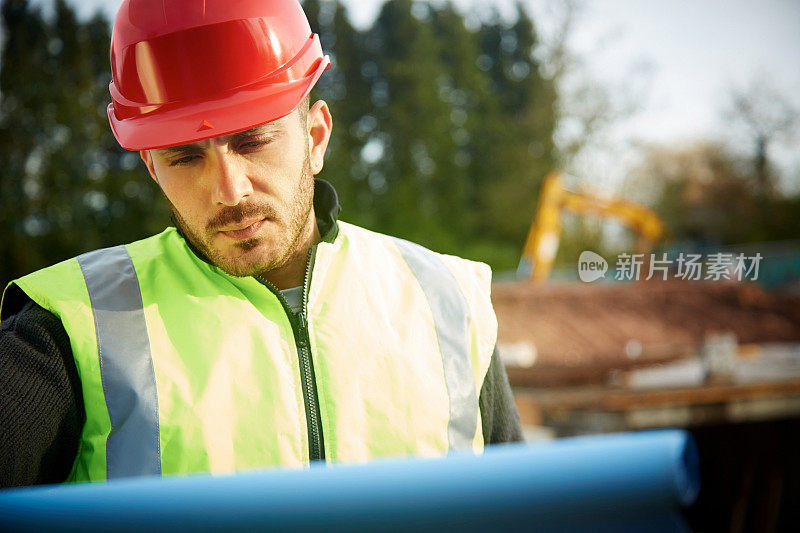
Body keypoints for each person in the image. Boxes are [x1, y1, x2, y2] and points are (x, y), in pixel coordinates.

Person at [0, 0, 521, 486]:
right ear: (153, 168)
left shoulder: (449, 299)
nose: (230, 190)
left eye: (253, 140)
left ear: (315, 137)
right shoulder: (68, 326)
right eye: (185, 157)